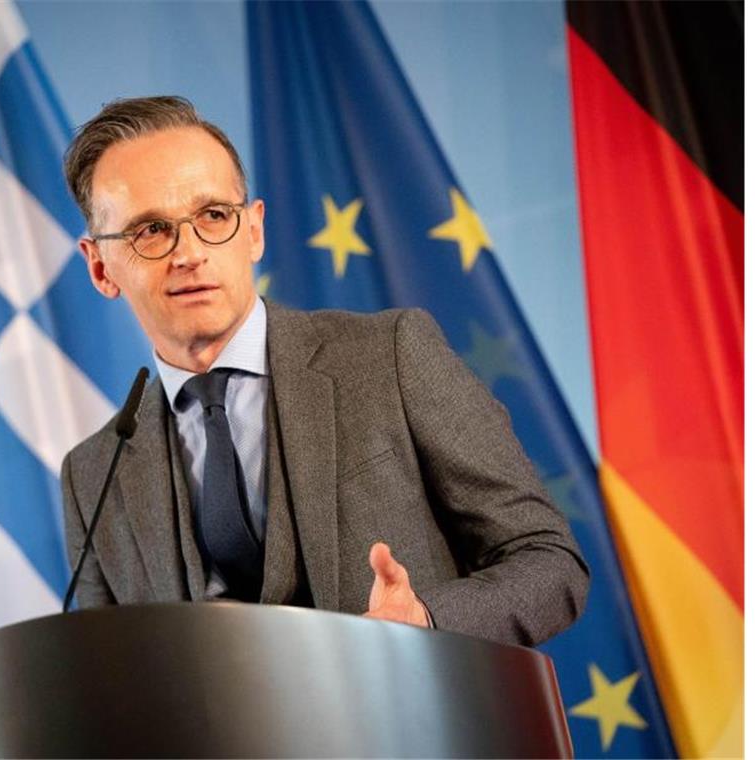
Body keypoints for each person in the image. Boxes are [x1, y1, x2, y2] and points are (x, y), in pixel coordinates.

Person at [59, 96, 588, 646]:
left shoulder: (389, 356)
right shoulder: (94, 476)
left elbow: (548, 560)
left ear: (254, 231)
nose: (189, 253)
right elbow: (111, 672)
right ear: (100, 266)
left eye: (214, 215)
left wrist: (425, 620)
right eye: (150, 230)